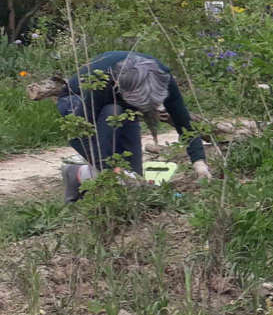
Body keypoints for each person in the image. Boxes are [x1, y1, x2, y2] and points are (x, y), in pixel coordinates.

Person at [57, 51, 210, 202]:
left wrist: (199, 162)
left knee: (134, 180)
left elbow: (184, 124)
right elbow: (77, 134)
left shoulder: (162, 77)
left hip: (121, 106)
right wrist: (111, 169)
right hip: (75, 102)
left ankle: (87, 174)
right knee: (113, 117)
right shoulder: (100, 83)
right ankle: (77, 173)